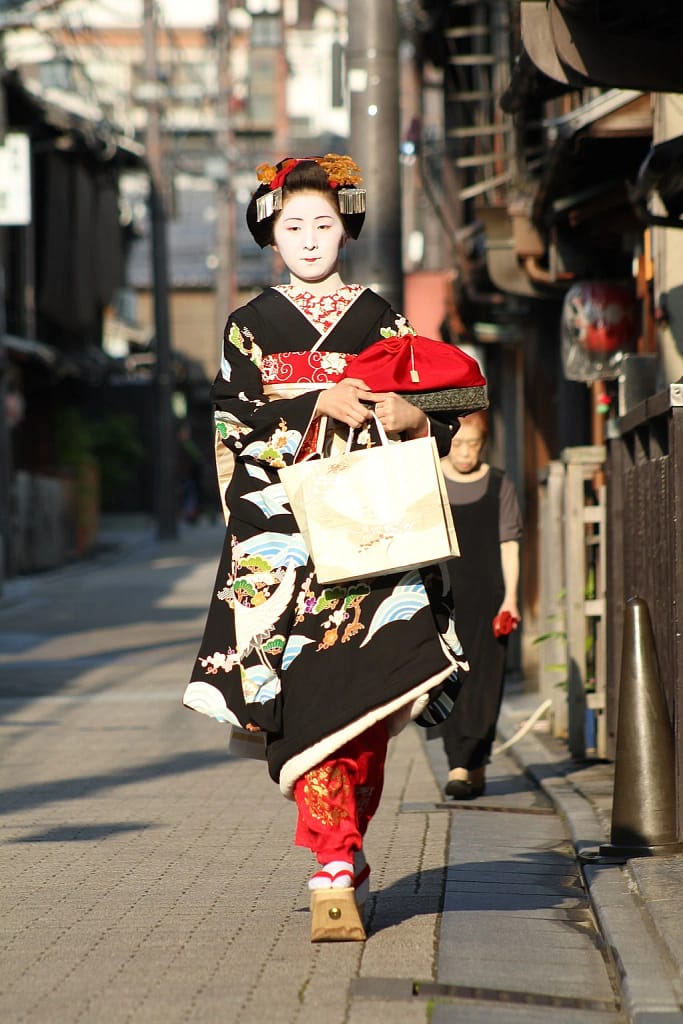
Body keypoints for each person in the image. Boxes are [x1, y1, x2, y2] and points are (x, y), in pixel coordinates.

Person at [183, 155, 466, 942]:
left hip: (373, 538)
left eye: (323, 224)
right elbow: (231, 422)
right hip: (290, 546)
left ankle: (345, 845)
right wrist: (315, 399)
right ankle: (332, 860)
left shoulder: (380, 317)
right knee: (312, 704)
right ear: (270, 235)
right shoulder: (252, 325)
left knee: (373, 697)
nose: (309, 238)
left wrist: (414, 417)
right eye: (293, 225)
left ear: (346, 229)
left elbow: (443, 396)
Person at [434, 410, 522, 800]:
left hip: (489, 597)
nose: (466, 452)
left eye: (475, 444)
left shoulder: (499, 484)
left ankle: (478, 764)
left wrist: (512, 597)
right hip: (444, 597)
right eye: (460, 443)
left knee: (487, 682)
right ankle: (457, 765)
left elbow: (510, 543)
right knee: (450, 679)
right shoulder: (431, 479)